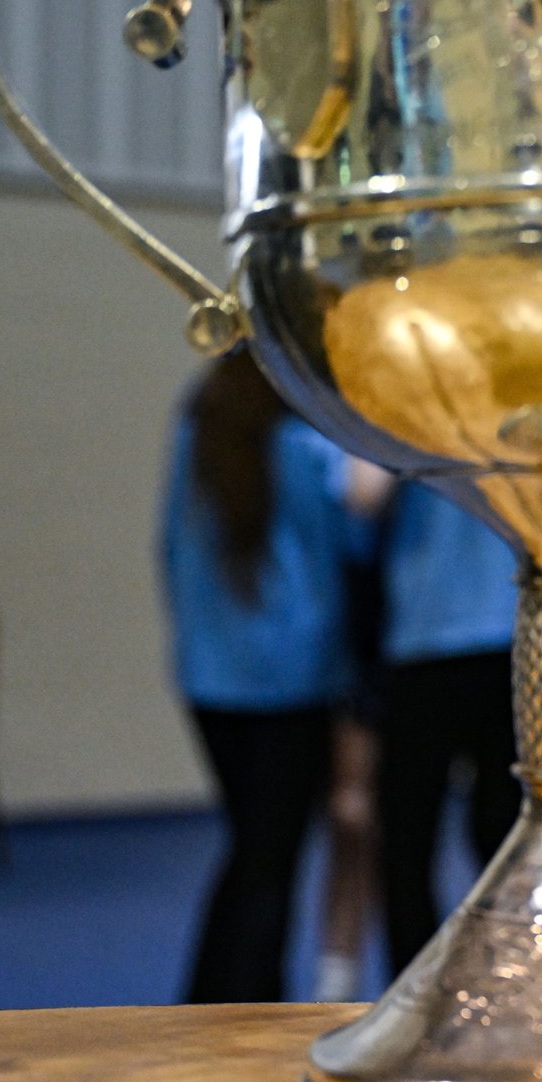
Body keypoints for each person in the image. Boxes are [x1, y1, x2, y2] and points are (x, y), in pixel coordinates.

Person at [159, 348, 379, 1003]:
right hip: (294, 679)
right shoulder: (310, 448)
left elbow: (169, 552)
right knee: (271, 859)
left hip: (210, 677)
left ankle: (214, 993)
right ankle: (247, 1002)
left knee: (251, 844)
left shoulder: (193, 437)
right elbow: (355, 543)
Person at [376, 480, 522, 976]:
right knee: (485, 832)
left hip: (452, 637)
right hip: (469, 636)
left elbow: (359, 498)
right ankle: (499, 979)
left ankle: (435, 987)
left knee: (426, 836)